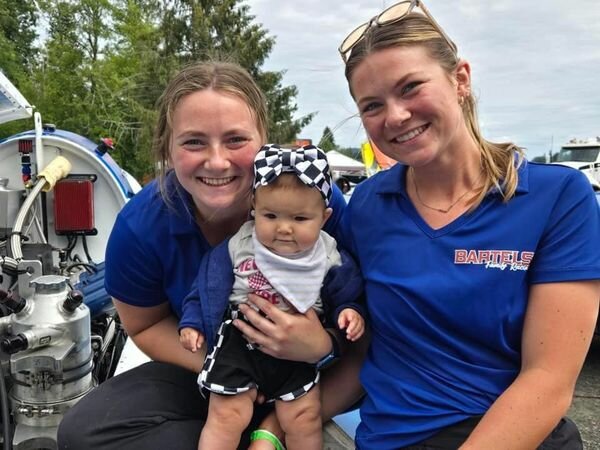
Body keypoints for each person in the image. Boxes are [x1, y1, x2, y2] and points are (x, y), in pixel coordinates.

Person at [57, 61, 366, 450]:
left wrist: (321, 350)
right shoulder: (141, 225)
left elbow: (367, 338)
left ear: (263, 140)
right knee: (82, 432)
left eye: (236, 140)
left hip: (315, 370)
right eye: (193, 142)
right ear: (168, 148)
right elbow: (147, 327)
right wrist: (225, 371)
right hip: (212, 362)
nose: (217, 161)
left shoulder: (312, 200)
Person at [336, 1, 600, 449]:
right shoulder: (365, 206)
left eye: (411, 87)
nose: (395, 116)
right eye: (372, 105)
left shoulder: (558, 198)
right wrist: (272, 426)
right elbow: (360, 349)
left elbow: (549, 380)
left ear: (460, 79)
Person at [179, 144, 365, 450]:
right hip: (241, 342)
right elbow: (205, 287)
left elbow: (347, 291)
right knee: (226, 415)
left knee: (304, 417)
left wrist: (350, 312)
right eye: (270, 215)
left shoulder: (329, 254)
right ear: (254, 208)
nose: (284, 228)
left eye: (300, 219)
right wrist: (192, 322)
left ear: (324, 217)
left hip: (298, 349)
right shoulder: (241, 242)